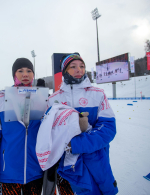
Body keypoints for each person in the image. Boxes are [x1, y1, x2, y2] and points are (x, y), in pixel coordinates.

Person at [47, 53, 118, 195]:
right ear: (64, 71)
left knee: (104, 190)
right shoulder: (54, 99)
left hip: (97, 159)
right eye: (73, 67)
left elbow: (108, 128)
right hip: (68, 164)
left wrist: (76, 144)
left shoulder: (98, 94)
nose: (79, 70)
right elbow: (49, 131)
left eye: (82, 66)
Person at [0, 58, 44, 195]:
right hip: (8, 174)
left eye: (29, 71)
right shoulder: (0, 101)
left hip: (36, 173)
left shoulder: (43, 100)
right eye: (20, 71)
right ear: (14, 75)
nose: (25, 74)